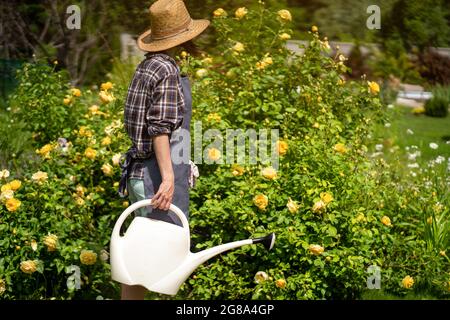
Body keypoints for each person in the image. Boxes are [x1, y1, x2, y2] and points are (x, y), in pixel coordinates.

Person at [117, 0, 209, 300]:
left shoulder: (147, 65)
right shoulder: (167, 70)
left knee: (140, 255)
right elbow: (160, 130)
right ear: (184, 37)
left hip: (141, 172)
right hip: (157, 175)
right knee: (156, 258)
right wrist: (168, 178)